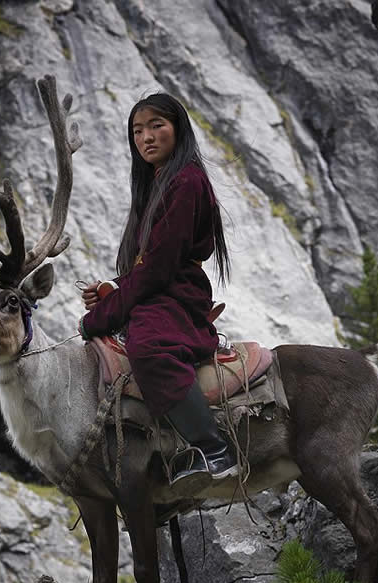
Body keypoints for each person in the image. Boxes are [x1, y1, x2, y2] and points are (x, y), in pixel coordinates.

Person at [78, 92, 237, 489]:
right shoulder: (156, 181)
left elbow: (162, 267)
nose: (146, 137)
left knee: (150, 348)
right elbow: (148, 263)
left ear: (177, 128)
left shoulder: (187, 181)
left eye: (156, 126)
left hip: (177, 293)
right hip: (162, 286)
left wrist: (103, 314)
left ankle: (213, 449)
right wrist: (114, 288)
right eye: (137, 130)